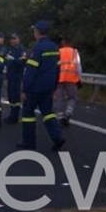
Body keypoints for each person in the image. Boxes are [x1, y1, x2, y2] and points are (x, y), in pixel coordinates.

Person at [18, 20, 65, 150]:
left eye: (34, 30)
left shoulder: (38, 48)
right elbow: (57, 69)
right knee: (48, 113)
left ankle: (29, 142)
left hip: (35, 88)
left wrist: (24, 89)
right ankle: (57, 137)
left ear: (37, 32)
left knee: (28, 114)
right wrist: (55, 87)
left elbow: (31, 71)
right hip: (48, 87)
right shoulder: (54, 47)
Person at [54, 37, 82, 126]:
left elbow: (55, 65)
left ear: (63, 43)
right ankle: (68, 113)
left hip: (60, 78)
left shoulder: (58, 51)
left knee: (59, 98)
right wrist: (79, 78)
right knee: (72, 98)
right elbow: (78, 66)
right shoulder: (74, 52)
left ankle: (60, 117)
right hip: (72, 79)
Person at [4, 32, 25, 124]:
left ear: (19, 39)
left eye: (14, 38)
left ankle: (14, 116)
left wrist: (13, 59)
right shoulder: (9, 49)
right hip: (10, 76)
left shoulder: (21, 50)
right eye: (11, 39)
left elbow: (22, 62)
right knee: (11, 96)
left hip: (17, 76)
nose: (12, 40)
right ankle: (12, 115)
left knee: (16, 97)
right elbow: (6, 62)